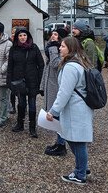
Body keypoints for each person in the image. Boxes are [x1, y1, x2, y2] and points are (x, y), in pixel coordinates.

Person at [46, 36, 94, 186]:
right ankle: (83, 168)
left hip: (75, 109)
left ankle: (80, 174)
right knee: (75, 140)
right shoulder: (79, 62)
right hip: (79, 108)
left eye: (63, 46)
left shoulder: (71, 67)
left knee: (77, 141)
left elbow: (64, 92)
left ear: (71, 49)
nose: (60, 48)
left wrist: (53, 111)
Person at [7, 27, 44, 138]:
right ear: (17, 37)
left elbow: (41, 65)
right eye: (20, 35)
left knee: (32, 105)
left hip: (32, 80)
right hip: (19, 80)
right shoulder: (14, 49)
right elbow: (10, 66)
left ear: (28, 36)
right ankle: (20, 124)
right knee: (21, 103)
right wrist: (9, 81)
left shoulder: (34, 48)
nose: (22, 37)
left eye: (24, 35)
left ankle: (32, 128)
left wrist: (40, 81)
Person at [40, 28, 68, 156]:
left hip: (56, 86)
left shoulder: (59, 50)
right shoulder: (54, 47)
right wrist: (42, 85)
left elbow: (55, 64)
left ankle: (61, 144)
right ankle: (59, 142)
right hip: (50, 84)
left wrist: (52, 49)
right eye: (52, 34)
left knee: (57, 115)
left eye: (56, 34)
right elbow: (47, 68)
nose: (52, 36)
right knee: (56, 115)